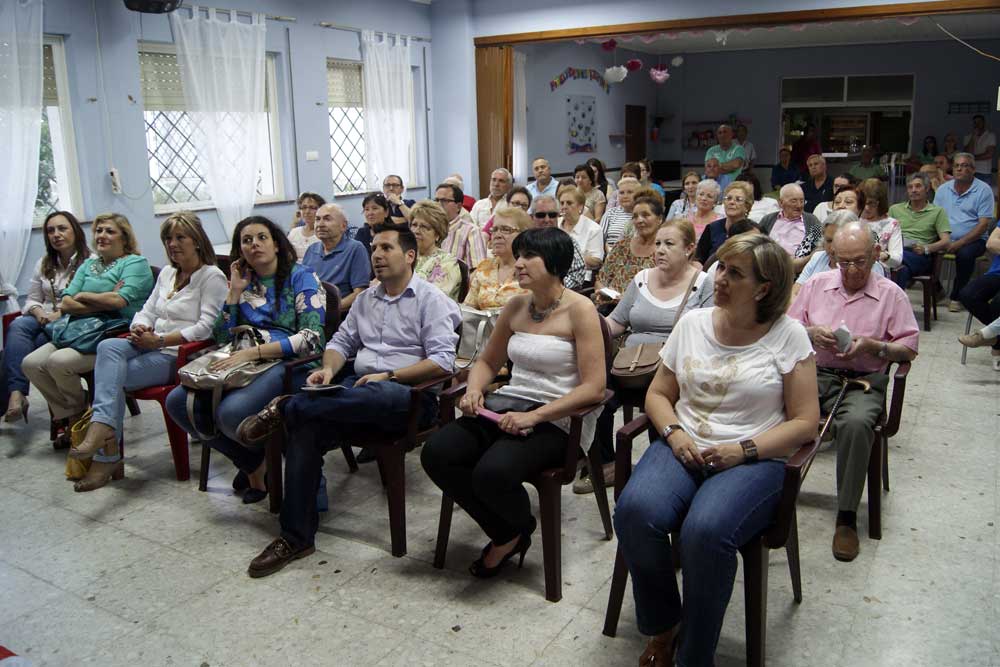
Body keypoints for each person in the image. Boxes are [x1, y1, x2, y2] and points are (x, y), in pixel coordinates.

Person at [614, 233, 819, 667]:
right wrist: (674, 434)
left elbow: (805, 422)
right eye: (720, 267)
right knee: (635, 511)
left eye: (734, 273)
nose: (718, 278)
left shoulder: (788, 336)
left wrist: (741, 450)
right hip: (684, 444)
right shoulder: (693, 323)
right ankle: (663, 627)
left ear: (763, 288)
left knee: (705, 533)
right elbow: (658, 394)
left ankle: (695, 654)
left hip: (754, 456)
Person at [238, 223, 461, 577]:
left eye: (386, 248)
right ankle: (295, 537)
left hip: (409, 399)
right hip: (355, 393)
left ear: (410, 256)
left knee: (361, 396)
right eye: (374, 248)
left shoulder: (430, 299)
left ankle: (286, 406)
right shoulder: (366, 300)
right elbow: (340, 343)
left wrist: (391, 376)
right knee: (305, 427)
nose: (377, 255)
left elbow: (442, 362)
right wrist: (327, 370)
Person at [421, 227, 606, 578]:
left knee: (492, 472)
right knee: (437, 453)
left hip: (557, 418)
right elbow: (488, 362)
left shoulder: (580, 310)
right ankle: (510, 531)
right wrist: (474, 389)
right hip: (508, 407)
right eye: (517, 255)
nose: (517, 263)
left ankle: (513, 529)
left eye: (527, 257)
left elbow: (594, 388)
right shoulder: (517, 305)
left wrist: (536, 416)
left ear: (553, 263)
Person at [165, 216, 325, 504]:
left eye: (262, 237)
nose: (254, 245)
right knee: (177, 402)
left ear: (276, 243)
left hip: (288, 363)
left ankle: (265, 464)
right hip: (240, 360)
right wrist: (235, 291)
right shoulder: (244, 281)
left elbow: (312, 338)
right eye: (246, 240)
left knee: (230, 414)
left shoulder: (302, 276)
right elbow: (220, 334)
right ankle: (254, 464)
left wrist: (255, 352)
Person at [69, 212, 227, 492]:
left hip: (178, 355)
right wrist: (140, 328)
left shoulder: (211, 276)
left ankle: (106, 454)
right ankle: (105, 431)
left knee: (111, 377)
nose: (172, 244)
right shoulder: (167, 273)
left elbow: (206, 328)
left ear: (198, 241)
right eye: (168, 238)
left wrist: (161, 340)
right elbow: (147, 310)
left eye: (180, 237)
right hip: (149, 344)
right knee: (108, 346)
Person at [789, 221, 918, 561]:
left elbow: (908, 349)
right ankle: (769, 494)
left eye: (859, 261)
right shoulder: (816, 285)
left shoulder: (892, 294)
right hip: (815, 374)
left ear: (876, 255)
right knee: (769, 405)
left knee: (857, 424)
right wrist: (810, 333)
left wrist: (875, 346)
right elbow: (786, 329)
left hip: (863, 381)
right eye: (842, 262)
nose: (851, 270)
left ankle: (846, 516)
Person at [577, 218, 711, 495]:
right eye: (658, 244)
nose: (660, 250)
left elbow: (708, 333)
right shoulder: (641, 279)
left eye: (669, 244)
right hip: (631, 364)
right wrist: (584, 329)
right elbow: (615, 322)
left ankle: (661, 471)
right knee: (596, 397)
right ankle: (607, 463)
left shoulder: (703, 283)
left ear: (689, 249)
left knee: (659, 407)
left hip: (674, 369)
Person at [22, 213, 154, 445]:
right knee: (31, 364)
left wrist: (83, 295)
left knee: (58, 362)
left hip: (111, 334)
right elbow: (66, 302)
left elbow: (119, 303)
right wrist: (100, 297)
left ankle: (75, 420)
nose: (102, 236)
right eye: (99, 231)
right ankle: (75, 410)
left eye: (109, 231)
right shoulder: (89, 264)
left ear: (124, 237)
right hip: (77, 331)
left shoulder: (135, 263)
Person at [2, 211, 90, 424]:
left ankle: (66, 414)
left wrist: (59, 314)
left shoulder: (91, 262)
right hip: (43, 319)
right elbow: (32, 299)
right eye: (51, 231)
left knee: (26, 349)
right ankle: (17, 393)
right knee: (19, 324)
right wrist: (40, 312)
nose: (56, 234)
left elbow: (89, 303)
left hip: (72, 321)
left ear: (75, 232)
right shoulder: (44, 263)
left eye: (62, 228)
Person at [934, 152, 995, 312]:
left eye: (965, 165)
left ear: (973, 169)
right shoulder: (943, 190)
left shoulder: (984, 190)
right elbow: (934, 217)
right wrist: (943, 240)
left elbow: (983, 225)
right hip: (945, 237)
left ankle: (957, 296)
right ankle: (937, 289)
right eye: (956, 166)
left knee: (965, 254)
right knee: (923, 249)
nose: (960, 169)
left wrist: (959, 243)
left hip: (975, 240)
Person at [793, 210, 886, 297]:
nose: (832, 248)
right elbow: (795, 292)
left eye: (839, 241)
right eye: (829, 240)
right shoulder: (818, 257)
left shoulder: (869, 266)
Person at [596, 191, 663, 304]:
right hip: (610, 307)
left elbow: (664, 292)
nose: (639, 220)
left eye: (645, 215)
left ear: (659, 219)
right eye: (635, 216)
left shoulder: (664, 252)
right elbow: (601, 279)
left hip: (642, 312)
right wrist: (605, 292)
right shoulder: (622, 246)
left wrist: (624, 301)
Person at [888, 172, 952, 289]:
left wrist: (926, 248)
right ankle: (897, 305)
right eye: (910, 187)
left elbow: (946, 241)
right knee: (901, 270)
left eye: (918, 186)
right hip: (897, 251)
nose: (913, 190)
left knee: (888, 261)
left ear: (927, 188)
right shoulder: (895, 209)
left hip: (919, 256)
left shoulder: (937, 211)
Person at [301, 203, 370, 311]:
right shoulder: (311, 250)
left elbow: (360, 293)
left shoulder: (355, 249)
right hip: (311, 312)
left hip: (339, 315)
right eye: (317, 219)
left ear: (343, 226)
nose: (320, 224)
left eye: (327, 219)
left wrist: (330, 311)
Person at [465, 207, 532, 310]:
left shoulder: (532, 269)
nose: (497, 235)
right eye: (494, 230)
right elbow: (468, 310)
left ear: (524, 235)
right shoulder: (484, 267)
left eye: (506, 229)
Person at [958, 224, 1000, 369]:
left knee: (997, 303)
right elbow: (991, 243)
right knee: (967, 295)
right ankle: (996, 339)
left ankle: (993, 339)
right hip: (997, 273)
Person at [760, 183, 823, 272]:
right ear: (781, 202)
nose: (799, 205)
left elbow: (821, 246)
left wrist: (807, 259)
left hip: (800, 270)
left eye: (802, 201)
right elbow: (757, 243)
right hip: (769, 268)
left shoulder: (811, 220)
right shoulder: (768, 220)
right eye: (794, 201)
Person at [409, 200, 463, 301]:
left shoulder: (447, 262)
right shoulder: (405, 256)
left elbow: (434, 298)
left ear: (437, 234)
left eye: (424, 227)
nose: (416, 231)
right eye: (414, 225)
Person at [531, 195, 587, 290]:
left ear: (558, 216)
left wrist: (550, 288)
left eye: (552, 215)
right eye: (541, 215)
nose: (547, 220)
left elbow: (576, 275)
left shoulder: (567, 242)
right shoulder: (524, 242)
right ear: (532, 217)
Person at [696, 181, 754, 265]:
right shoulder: (712, 228)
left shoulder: (754, 231)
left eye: (738, 200)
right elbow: (699, 259)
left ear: (747, 206)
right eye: (729, 198)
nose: (732, 202)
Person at [437, 182, 487, 267]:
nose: (438, 205)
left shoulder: (471, 231)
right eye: (436, 200)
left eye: (444, 201)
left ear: (459, 206)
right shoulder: (429, 229)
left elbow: (478, 269)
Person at [858, 178, 903, 270]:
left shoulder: (892, 224)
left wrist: (884, 255)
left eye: (871, 203)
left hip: (878, 272)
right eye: (863, 203)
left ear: (880, 203)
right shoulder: (853, 219)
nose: (866, 208)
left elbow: (897, 260)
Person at [558, 185, 603, 274]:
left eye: (569, 203)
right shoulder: (555, 224)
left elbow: (596, 261)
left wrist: (567, 258)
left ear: (580, 207)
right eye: (562, 203)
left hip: (580, 276)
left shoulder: (593, 229)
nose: (564, 206)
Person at [600, 177, 640, 250]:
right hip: (609, 254)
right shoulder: (610, 213)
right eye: (621, 193)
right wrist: (610, 252)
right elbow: (600, 238)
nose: (625, 196)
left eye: (630, 192)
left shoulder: (642, 215)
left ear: (639, 195)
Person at [704, 124, 745, 190]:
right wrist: (729, 167)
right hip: (714, 187)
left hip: (734, 187)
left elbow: (736, 165)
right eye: (720, 133)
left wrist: (717, 167)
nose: (722, 135)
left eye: (725, 132)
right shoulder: (711, 150)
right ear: (717, 136)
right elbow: (708, 170)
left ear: (731, 134)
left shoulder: (739, 149)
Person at [287, 193, 325, 260]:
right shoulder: (294, 232)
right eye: (304, 207)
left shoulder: (324, 233)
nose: (307, 211)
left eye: (312, 208)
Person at [964, 114, 996, 184]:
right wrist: (973, 137)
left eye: (979, 122)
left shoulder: (990, 136)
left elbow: (989, 154)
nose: (977, 124)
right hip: (970, 171)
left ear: (984, 123)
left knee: (984, 194)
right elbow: (967, 153)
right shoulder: (968, 137)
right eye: (975, 122)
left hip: (984, 172)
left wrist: (972, 158)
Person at [356, 192, 391, 257]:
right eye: (367, 209)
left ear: (386, 212)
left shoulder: (394, 234)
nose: (370, 213)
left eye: (375, 208)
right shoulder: (361, 233)